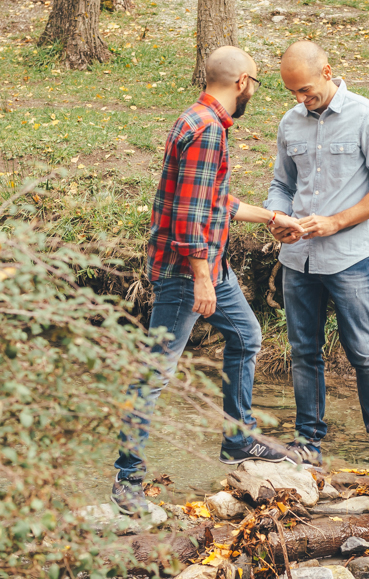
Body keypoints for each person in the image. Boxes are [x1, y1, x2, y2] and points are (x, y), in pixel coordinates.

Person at [112, 47, 305, 516]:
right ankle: (126, 477)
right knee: (156, 372)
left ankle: (238, 440)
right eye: (255, 83)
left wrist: (273, 217)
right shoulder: (207, 131)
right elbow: (189, 215)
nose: (254, 91)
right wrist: (200, 277)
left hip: (210, 265)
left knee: (246, 336)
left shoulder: (196, 119)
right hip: (187, 270)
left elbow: (215, 200)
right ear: (241, 82)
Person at [264, 41, 369, 486]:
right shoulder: (290, 122)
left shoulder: (367, 116)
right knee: (304, 353)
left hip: (348, 259)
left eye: (305, 90)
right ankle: (307, 444)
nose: (300, 99)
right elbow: (281, 184)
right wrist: (277, 218)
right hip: (297, 259)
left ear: (327, 72)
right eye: (292, 92)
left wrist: (336, 222)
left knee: (365, 353)